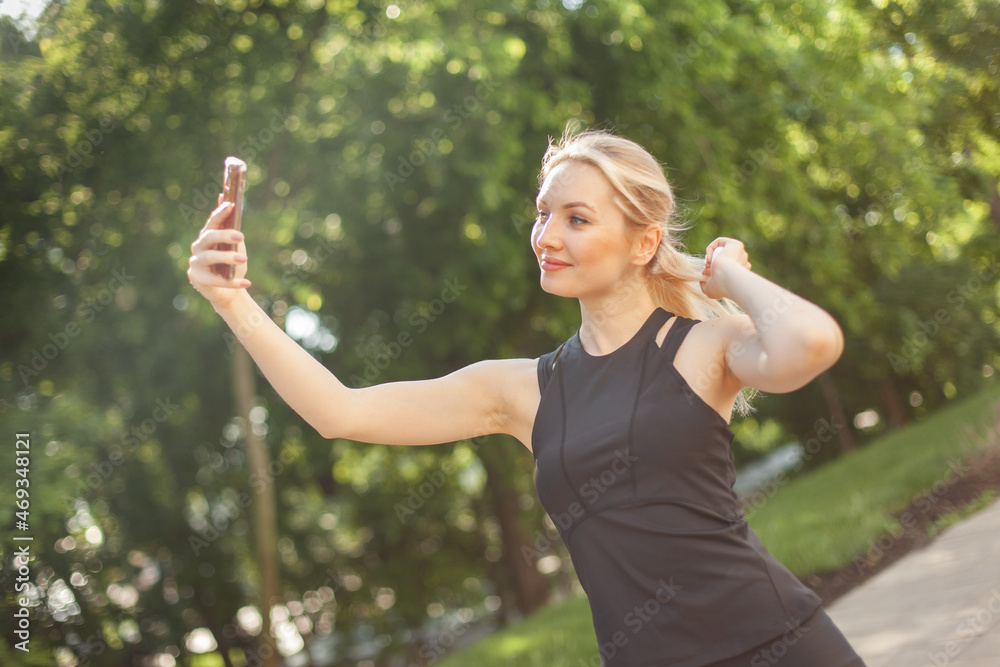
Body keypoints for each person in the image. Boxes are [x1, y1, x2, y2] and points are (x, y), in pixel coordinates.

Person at [188, 126, 865, 666]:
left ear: (644, 244)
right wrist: (231, 301)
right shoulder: (522, 389)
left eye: (577, 218)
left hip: (776, 639)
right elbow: (341, 411)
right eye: (543, 215)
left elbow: (811, 343)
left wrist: (727, 274)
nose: (547, 236)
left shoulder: (701, 347)